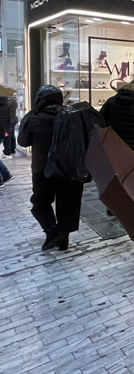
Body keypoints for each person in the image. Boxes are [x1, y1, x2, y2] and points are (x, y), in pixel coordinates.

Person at [17, 85, 83, 251]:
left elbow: (23, 141)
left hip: (43, 168)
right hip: (69, 167)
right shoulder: (71, 116)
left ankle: (51, 230)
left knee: (40, 201)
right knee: (68, 203)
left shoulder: (34, 118)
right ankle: (63, 236)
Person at [0, 86, 18, 157]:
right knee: (11, 135)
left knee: (7, 135)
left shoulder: (8, 101)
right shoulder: (13, 100)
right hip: (13, 120)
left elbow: (5, 110)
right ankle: (12, 150)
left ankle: (7, 152)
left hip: (9, 120)